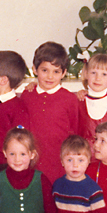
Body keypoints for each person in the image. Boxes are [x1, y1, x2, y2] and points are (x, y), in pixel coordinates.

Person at [22, 42, 80, 183]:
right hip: (32, 163)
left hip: (59, 164)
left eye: (56, 71)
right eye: (44, 70)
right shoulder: (27, 95)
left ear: (64, 73)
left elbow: (76, 131)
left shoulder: (70, 99)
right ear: (35, 69)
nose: (50, 76)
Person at [77, 53, 107, 151]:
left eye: (104, 74)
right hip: (82, 162)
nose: (98, 78)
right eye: (93, 73)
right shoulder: (78, 101)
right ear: (86, 74)